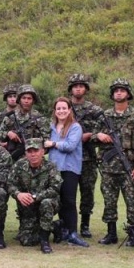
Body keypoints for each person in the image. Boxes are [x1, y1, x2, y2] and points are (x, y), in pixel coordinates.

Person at [93, 79, 134, 247]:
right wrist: (98, 136)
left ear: (128, 93)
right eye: (116, 90)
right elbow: (90, 135)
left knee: (132, 202)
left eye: (122, 90)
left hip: (130, 168)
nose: (119, 93)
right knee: (109, 201)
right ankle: (111, 233)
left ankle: (133, 234)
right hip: (109, 168)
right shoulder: (105, 115)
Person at [44, 97, 88, 247]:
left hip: (70, 169)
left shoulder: (75, 127)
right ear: (55, 112)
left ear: (69, 110)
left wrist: (53, 143)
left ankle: (73, 233)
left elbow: (70, 145)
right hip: (53, 170)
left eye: (64, 108)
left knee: (69, 201)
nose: (61, 111)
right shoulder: (51, 127)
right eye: (58, 109)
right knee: (58, 201)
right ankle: (62, 230)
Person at [8, 139, 62, 253]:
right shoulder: (19, 165)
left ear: (43, 152)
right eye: (29, 151)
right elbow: (10, 184)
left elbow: (55, 188)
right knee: (27, 241)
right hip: (28, 207)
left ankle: (45, 241)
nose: (33, 154)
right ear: (26, 153)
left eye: (36, 151)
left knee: (46, 203)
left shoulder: (51, 167)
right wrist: (18, 194)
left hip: (48, 203)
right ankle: (54, 226)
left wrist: (35, 197)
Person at [67, 74, 103, 238]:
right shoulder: (64, 108)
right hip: (68, 158)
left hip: (88, 158)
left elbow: (103, 130)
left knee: (87, 192)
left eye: (81, 86)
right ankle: (68, 225)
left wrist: (90, 135)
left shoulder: (94, 110)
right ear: (71, 89)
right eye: (75, 86)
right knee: (68, 193)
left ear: (86, 89)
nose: (78, 88)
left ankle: (85, 224)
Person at [0, 84, 48, 162]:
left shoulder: (40, 118)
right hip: (13, 157)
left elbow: (47, 141)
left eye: (29, 98)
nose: (26, 101)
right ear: (19, 100)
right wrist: (8, 133)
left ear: (33, 100)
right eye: (24, 98)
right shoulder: (11, 117)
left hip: (33, 160)